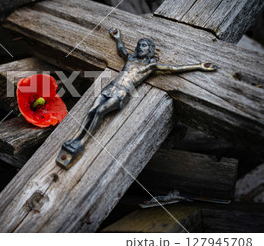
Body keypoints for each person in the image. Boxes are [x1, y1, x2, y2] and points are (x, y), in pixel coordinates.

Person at [57, 28, 217, 169]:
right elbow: (121, 50)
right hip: (110, 87)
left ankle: (81, 143)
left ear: (151, 50)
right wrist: (117, 37)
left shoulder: (150, 66)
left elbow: (174, 68)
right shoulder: (131, 59)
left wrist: (198, 66)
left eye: (144, 46)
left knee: (99, 112)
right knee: (91, 111)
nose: (140, 48)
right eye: (139, 45)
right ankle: (73, 139)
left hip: (122, 93)